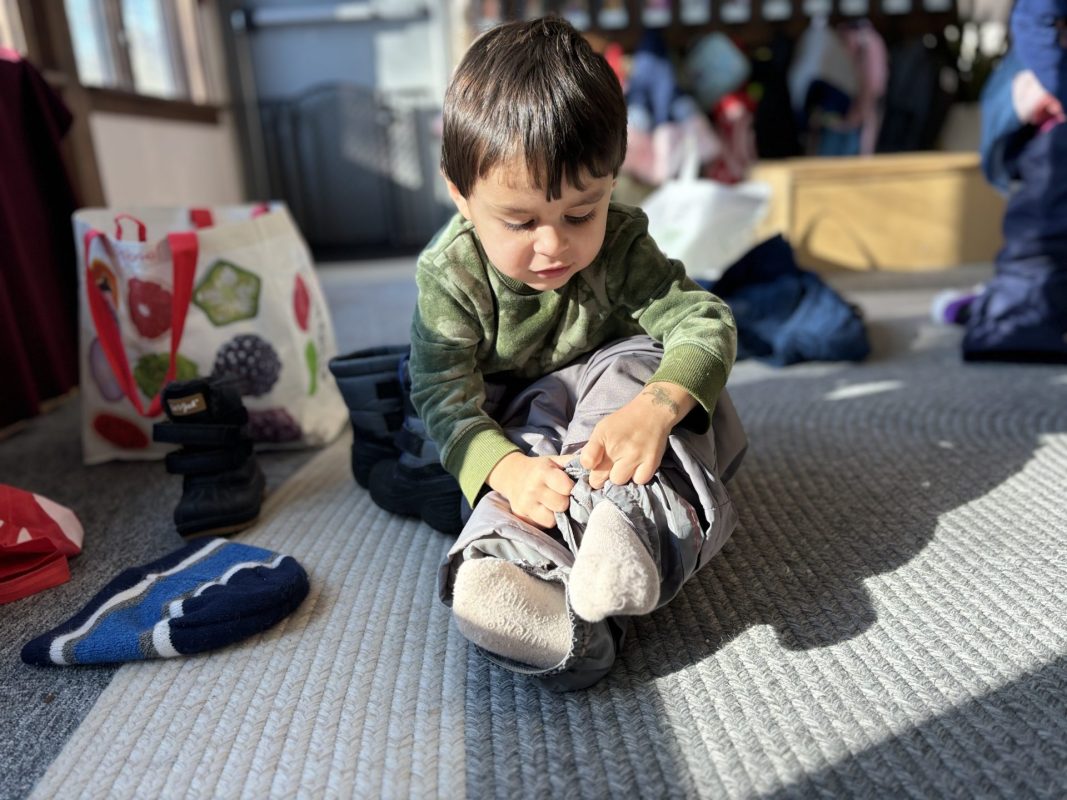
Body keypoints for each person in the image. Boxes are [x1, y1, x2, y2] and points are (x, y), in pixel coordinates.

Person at [374, 16, 745, 691]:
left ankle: (629, 522)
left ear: (611, 181)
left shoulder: (622, 244)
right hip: (521, 419)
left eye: (580, 213)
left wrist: (657, 407)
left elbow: (703, 322)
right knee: (524, 451)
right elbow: (443, 397)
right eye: (519, 221)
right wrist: (505, 469)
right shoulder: (450, 276)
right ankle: (515, 579)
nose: (553, 245)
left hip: (611, 404)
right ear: (460, 195)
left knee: (638, 364)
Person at [945, 0, 1067, 361]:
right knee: (1041, 241)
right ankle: (996, 311)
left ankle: (987, 306)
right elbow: (1035, 20)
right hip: (1051, 114)